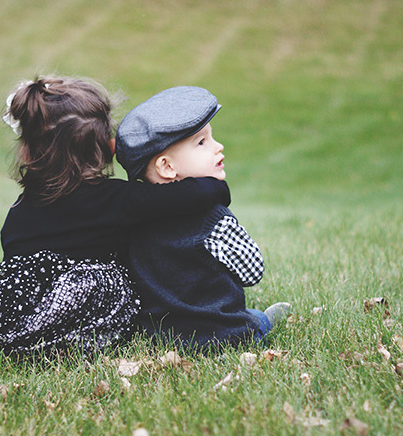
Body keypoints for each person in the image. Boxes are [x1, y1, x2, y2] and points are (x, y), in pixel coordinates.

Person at [0, 76, 231, 359]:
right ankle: (50, 338)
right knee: (109, 289)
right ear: (104, 149)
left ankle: (15, 335)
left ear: (29, 153)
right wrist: (217, 186)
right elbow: (187, 196)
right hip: (77, 300)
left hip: (18, 299)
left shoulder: (21, 209)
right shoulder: (113, 200)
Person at [115, 86, 291, 350]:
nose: (218, 146)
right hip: (222, 334)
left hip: (161, 337)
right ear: (167, 166)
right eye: (201, 142)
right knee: (254, 321)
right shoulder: (213, 220)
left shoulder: (134, 221)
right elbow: (253, 272)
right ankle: (262, 322)